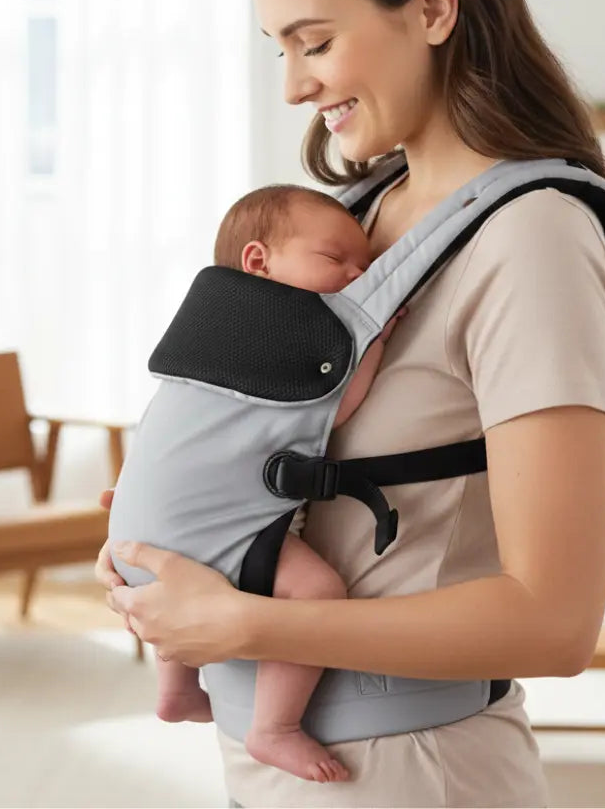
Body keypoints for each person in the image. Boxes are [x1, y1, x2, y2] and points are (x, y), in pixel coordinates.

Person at [97, 0, 605, 807]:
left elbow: (556, 621)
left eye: (313, 42)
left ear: (434, 9)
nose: (293, 85)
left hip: (407, 769)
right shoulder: (357, 218)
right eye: (278, 48)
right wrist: (167, 549)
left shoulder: (530, 235)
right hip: (278, 747)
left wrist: (243, 626)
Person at [112, 184, 400, 784]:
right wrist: (375, 339)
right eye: (335, 260)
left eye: (367, 266)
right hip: (199, 537)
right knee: (318, 591)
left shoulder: (210, 339)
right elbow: (336, 408)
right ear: (257, 262)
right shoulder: (284, 352)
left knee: (183, 571)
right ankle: (274, 727)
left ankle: (176, 691)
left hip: (133, 534)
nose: (356, 275)